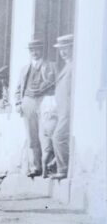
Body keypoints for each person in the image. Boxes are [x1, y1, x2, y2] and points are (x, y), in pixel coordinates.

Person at [15, 39, 56, 178]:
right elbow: (18, 88)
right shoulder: (24, 69)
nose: (35, 52)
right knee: (31, 135)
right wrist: (17, 103)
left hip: (44, 100)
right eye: (32, 50)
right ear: (29, 52)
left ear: (42, 50)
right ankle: (35, 167)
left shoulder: (50, 66)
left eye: (37, 49)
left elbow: (54, 83)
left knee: (45, 134)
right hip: (28, 101)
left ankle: (48, 165)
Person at [50, 34, 73, 179]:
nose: (63, 52)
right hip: (61, 109)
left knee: (58, 137)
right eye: (61, 49)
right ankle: (58, 165)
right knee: (54, 135)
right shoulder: (68, 64)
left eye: (66, 48)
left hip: (69, 110)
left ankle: (63, 169)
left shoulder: (75, 65)